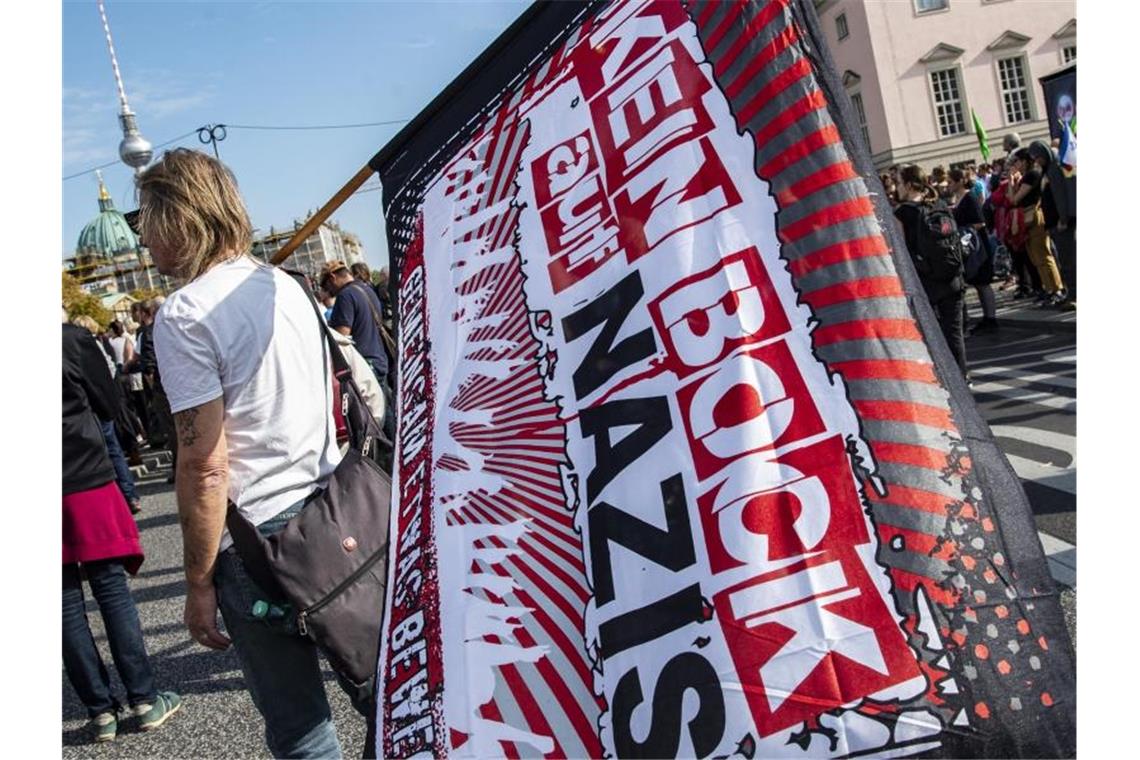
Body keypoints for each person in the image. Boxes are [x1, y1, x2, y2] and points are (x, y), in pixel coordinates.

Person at [139, 148, 363, 758]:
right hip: (336, 505)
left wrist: (197, 581)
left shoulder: (185, 313)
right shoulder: (284, 285)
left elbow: (205, 462)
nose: (144, 241)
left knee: (301, 727)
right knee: (381, 684)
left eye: (146, 220)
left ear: (177, 219)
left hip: (260, 537)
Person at [63, 316, 181, 742]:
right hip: (85, 474)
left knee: (62, 604)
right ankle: (144, 699)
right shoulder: (70, 341)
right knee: (110, 589)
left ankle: (99, 711)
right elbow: (111, 405)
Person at [894, 164, 968, 379]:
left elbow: (902, 251)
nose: (897, 188)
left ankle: (943, 381)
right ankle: (963, 377)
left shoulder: (902, 212)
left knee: (931, 334)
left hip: (925, 282)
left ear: (908, 185)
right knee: (954, 334)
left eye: (899, 183)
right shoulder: (939, 204)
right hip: (953, 276)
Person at [71, 316, 143, 514]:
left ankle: (121, 498)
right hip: (101, 403)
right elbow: (110, 369)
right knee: (113, 450)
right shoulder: (96, 343)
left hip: (93, 407)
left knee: (104, 452)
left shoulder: (82, 345)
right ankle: (129, 496)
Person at [1008, 148, 1066, 306]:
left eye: (1017, 161)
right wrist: (1012, 181)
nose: (1015, 165)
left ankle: (1057, 289)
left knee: (1043, 255)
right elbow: (1011, 197)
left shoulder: (1032, 174)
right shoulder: (1026, 176)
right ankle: (1049, 289)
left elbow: (1014, 199)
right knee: (1036, 258)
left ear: (1025, 161)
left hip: (1034, 216)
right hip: (1027, 218)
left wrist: (1012, 182)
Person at [1028, 139, 1076, 307]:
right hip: (1054, 223)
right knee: (1064, 261)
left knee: (1069, 261)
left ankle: (1074, 296)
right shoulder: (1047, 170)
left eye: (1038, 157)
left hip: (1061, 223)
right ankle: (1071, 294)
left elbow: (1060, 196)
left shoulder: (1054, 169)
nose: (1037, 160)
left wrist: (1063, 219)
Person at [949, 168, 998, 333]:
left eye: (950, 182)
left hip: (978, 247)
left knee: (983, 283)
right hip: (970, 247)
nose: (948, 185)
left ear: (959, 182)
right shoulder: (959, 199)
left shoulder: (970, 198)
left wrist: (961, 229)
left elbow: (980, 222)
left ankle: (991, 318)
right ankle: (987, 318)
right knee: (978, 283)